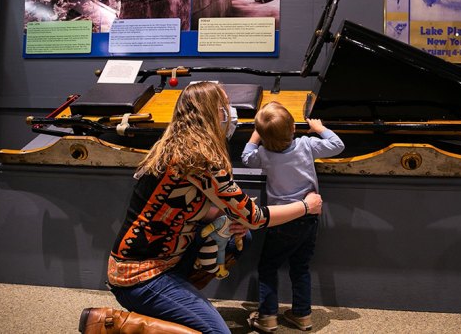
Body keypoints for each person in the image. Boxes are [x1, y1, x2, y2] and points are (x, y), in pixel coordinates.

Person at [78, 82, 324, 334]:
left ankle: (176, 300)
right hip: (140, 276)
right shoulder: (201, 159)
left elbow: (185, 209)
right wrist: (306, 206)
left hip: (156, 261)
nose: (230, 111)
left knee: (237, 237)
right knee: (217, 333)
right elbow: (256, 217)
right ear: (210, 114)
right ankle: (117, 325)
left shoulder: (175, 146)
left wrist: (230, 217)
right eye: (224, 106)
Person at [241, 101, 345, 332]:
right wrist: (319, 129)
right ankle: (302, 315)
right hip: (308, 218)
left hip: (280, 220)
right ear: (293, 129)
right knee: (301, 267)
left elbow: (246, 157)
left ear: (262, 135)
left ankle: (268, 316)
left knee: (268, 267)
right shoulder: (307, 145)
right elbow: (337, 145)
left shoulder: (263, 154)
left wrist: (255, 137)